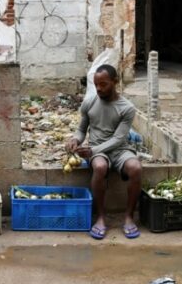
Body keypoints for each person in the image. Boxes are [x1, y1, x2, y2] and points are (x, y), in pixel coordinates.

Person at [65, 64, 142, 240]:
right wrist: (75, 140)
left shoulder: (127, 108)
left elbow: (119, 139)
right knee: (99, 166)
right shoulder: (90, 102)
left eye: (104, 84)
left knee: (136, 167)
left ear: (115, 82)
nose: (99, 89)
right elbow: (81, 130)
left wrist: (92, 150)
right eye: (96, 84)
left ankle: (129, 217)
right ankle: (100, 217)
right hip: (98, 151)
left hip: (119, 150)